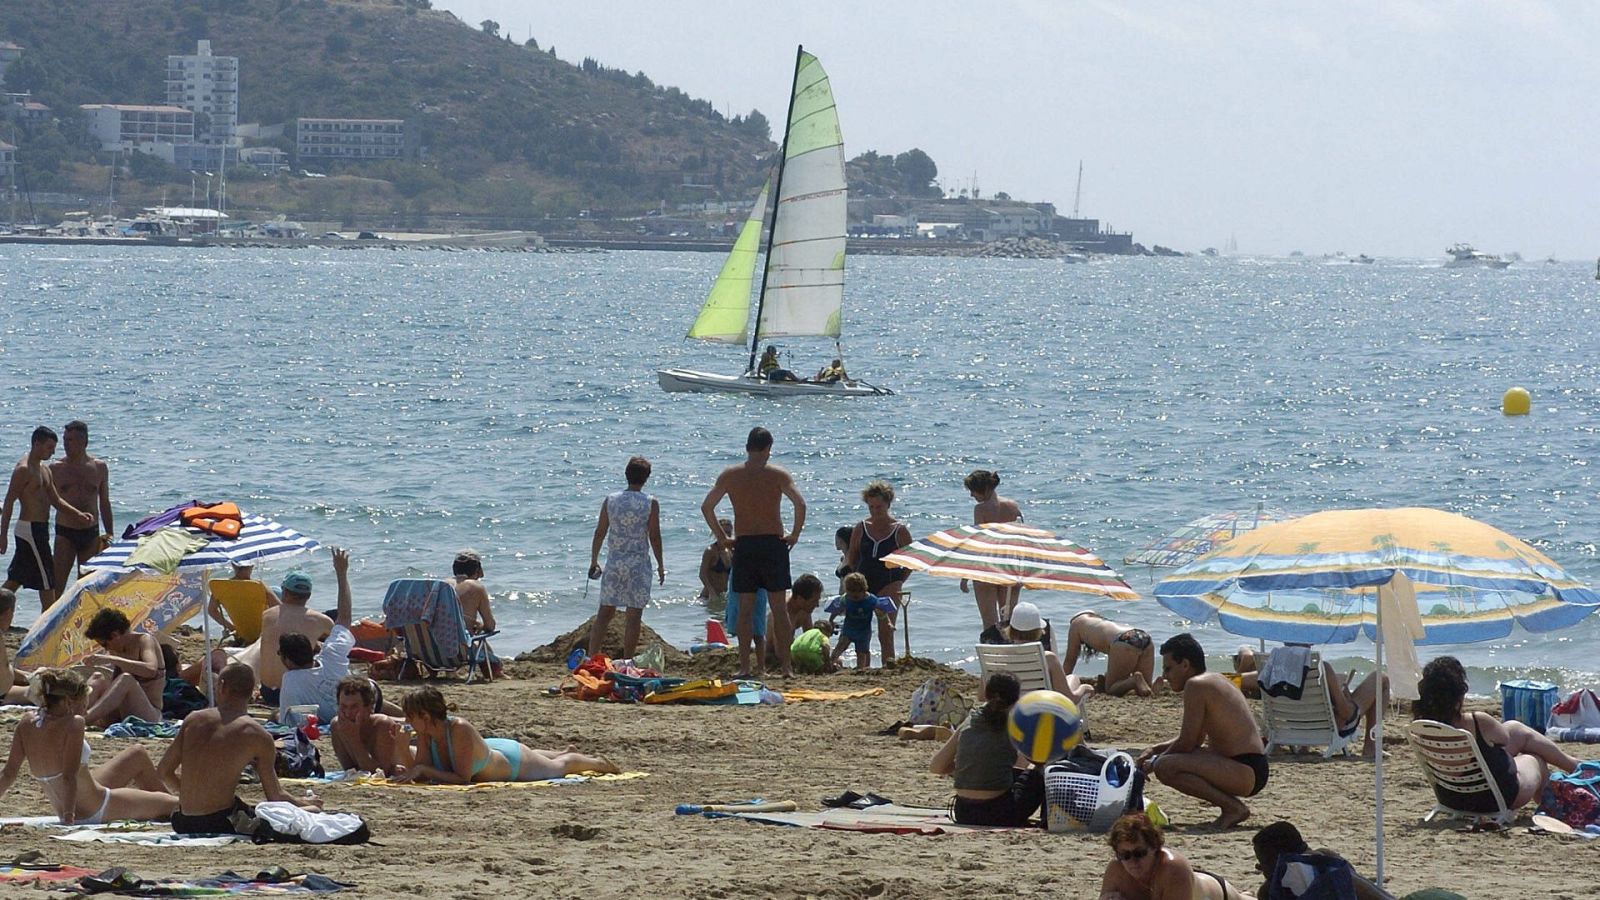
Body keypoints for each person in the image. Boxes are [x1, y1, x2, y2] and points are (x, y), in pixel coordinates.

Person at [157, 662, 319, 834]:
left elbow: (164, 771)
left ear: (221, 686)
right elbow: (275, 796)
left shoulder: (193, 720)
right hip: (220, 821)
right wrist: (305, 803)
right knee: (309, 812)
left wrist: (189, 797)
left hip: (183, 820)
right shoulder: (257, 734)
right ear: (251, 691)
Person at [0, 670, 177, 825]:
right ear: (69, 701)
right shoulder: (73, 724)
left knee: (136, 753)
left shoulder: (27, 721)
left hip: (76, 797)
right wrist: (69, 817)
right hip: (94, 807)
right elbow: (69, 776)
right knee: (176, 804)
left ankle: (165, 807)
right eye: (84, 702)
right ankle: (173, 809)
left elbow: (8, 773)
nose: (86, 709)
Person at [701, 427, 806, 678]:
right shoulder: (778, 475)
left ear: (747, 447)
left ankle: (746, 667)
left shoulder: (731, 475)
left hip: (745, 544)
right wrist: (795, 534)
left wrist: (722, 538)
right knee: (779, 609)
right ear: (768, 448)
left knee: (745, 610)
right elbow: (800, 504)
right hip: (773, 544)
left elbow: (707, 507)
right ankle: (786, 668)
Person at [1412, 655, 1578, 812]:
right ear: (1458, 694)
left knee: (1515, 728)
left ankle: (1574, 764)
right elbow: (1504, 739)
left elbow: (1507, 736)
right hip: (1495, 799)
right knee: (1535, 759)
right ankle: (1551, 806)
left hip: (1452, 798)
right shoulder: (1477, 721)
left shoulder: (1420, 728)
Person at [1138, 634, 1268, 828]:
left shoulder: (1196, 685)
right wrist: (1155, 749)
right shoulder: (1214, 679)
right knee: (1165, 761)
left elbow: (1187, 743)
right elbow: (1194, 739)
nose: (1165, 675)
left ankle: (1233, 808)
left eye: (1168, 668)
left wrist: (1155, 760)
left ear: (1185, 665)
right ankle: (1233, 808)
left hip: (1245, 770)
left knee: (1164, 767)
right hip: (1251, 767)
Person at [395, 686, 619, 783]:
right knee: (540, 758)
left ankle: (597, 763)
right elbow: (422, 773)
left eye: (410, 717)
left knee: (559, 768)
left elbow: (463, 778)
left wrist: (422, 769)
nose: (407, 722)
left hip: (512, 763)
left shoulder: (459, 729)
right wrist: (403, 748)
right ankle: (561, 751)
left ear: (425, 716)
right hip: (491, 751)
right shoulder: (426, 733)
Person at [930, 672, 1046, 827]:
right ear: (1016, 700)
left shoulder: (970, 720)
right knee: (1042, 772)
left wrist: (965, 766)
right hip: (999, 813)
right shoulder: (1015, 724)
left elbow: (936, 767)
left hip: (963, 812)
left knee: (1009, 770)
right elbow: (1039, 759)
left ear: (986, 694)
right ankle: (1047, 820)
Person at [2, 427, 93, 611]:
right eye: (49, 447)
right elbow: (9, 502)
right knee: (47, 579)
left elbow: (56, 500)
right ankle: (48, 623)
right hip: (29, 529)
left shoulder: (44, 469)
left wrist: (78, 514)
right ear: (37, 444)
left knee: (16, 579)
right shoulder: (23, 469)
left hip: (41, 529)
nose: (53, 452)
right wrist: (2, 535)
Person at [587, 456, 664, 661]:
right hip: (638, 563)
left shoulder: (611, 500)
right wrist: (661, 564)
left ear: (626, 474)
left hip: (615, 562)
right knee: (634, 615)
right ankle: (628, 659)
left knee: (605, 612)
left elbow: (600, 532)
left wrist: (594, 560)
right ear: (646, 478)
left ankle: (592, 656)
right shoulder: (650, 502)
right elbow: (654, 536)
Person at [276, 547, 354, 725]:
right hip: (364, 701)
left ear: (287, 661)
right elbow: (345, 617)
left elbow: (291, 722)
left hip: (337, 717)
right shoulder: (332, 656)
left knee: (277, 716)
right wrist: (342, 573)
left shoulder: (290, 680)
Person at [1099, 812, 1254, 900]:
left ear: (1154, 847)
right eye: (1124, 855)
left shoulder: (1173, 868)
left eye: (1139, 854)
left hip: (1217, 894)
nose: (1132, 861)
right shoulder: (1116, 870)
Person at [845, 480, 913, 665]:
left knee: (886, 630)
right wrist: (854, 581)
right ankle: (863, 667)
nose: (875, 511)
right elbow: (852, 557)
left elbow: (912, 561)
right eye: (871, 507)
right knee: (860, 628)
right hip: (864, 584)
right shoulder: (861, 527)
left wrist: (899, 581)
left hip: (889, 582)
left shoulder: (899, 530)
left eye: (879, 507)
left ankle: (888, 665)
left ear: (888, 504)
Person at [49, 421, 113, 596]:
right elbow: (49, 502)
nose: (65, 444)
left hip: (91, 534)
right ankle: (49, 622)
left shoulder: (99, 467)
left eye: (70, 440)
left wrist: (109, 533)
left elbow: (104, 502)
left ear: (83, 442)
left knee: (86, 586)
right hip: (65, 533)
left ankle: (82, 622)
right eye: (64, 439)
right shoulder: (56, 468)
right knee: (56, 585)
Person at [1251, 821, 1393, 900]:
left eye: (1262, 862)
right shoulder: (1328, 858)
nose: (1259, 868)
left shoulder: (1307, 874)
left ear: (1277, 860)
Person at [256, 569, 334, 706]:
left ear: (284, 592)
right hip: (294, 691)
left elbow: (285, 617)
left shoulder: (267, 615)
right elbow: (339, 642)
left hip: (267, 692)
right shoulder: (321, 620)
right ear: (308, 596)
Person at [958, 470, 1022, 634]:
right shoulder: (1013, 506)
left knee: (990, 625)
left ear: (985, 489)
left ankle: (996, 655)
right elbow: (1022, 540)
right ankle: (1012, 655)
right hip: (1011, 567)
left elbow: (978, 542)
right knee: (1010, 622)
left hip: (987, 569)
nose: (972, 495)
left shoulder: (981, 509)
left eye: (973, 490)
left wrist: (965, 576)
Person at [82, 608, 164, 726]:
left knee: (126, 679)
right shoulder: (116, 649)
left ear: (115, 635)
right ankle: (77, 715)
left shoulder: (144, 641)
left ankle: (84, 719)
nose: (106, 649)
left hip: (148, 714)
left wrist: (112, 659)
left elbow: (150, 670)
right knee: (97, 677)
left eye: (105, 644)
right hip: (120, 712)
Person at [1004, 601, 1094, 706]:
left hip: (1009, 713)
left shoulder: (998, 657)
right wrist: (1084, 689)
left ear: (1011, 629)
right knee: (1073, 678)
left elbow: (983, 695)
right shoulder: (1048, 658)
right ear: (1038, 630)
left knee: (1071, 678)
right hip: (1040, 711)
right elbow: (1068, 700)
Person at [1062, 610, 1156, 697]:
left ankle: (1134, 680)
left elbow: (1070, 661)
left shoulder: (1075, 624)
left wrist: (1061, 682)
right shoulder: (1100, 622)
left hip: (1123, 641)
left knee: (1111, 688)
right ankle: (1155, 684)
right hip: (1144, 636)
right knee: (1145, 686)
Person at [330, 676, 407, 775]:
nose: (348, 713)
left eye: (354, 707)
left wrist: (354, 740)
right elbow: (350, 769)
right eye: (343, 707)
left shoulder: (382, 724)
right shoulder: (337, 726)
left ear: (369, 707)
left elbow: (379, 773)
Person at [827, 572, 897, 671]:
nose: (854, 594)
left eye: (857, 591)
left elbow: (881, 612)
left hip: (863, 632)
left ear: (864, 590)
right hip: (849, 629)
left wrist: (888, 623)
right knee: (841, 645)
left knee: (861, 652)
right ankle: (830, 663)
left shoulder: (871, 600)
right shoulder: (846, 598)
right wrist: (831, 620)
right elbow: (838, 609)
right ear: (847, 590)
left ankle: (860, 669)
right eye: (851, 591)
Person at [452, 550, 501, 678]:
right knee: (478, 638)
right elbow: (490, 626)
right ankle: (496, 671)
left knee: (474, 631)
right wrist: (480, 627)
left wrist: (473, 623)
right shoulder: (475, 587)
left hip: (433, 648)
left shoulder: (441, 585)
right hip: (459, 650)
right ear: (476, 570)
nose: (482, 575)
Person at [206, 563, 280, 642]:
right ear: (252, 565)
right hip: (263, 635)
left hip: (243, 636)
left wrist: (232, 628)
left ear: (233, 565)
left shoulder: (220, 586)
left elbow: (211, 611)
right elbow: (281, 609)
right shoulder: (258, 586)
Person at [1, 588, 30, 704]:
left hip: (5, 688)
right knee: (50, 693)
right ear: (8, 612)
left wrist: (28, 677)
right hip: (3, 694)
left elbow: (4, 667)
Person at [698, 518, 733, 605]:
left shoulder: (731, 551)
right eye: (724, 533)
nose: (726, 536)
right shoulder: (711, 551)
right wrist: (711, 592)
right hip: (708, 596)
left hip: (723, 596)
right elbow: (702, 574)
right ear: (716, 533)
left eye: (729, 533)